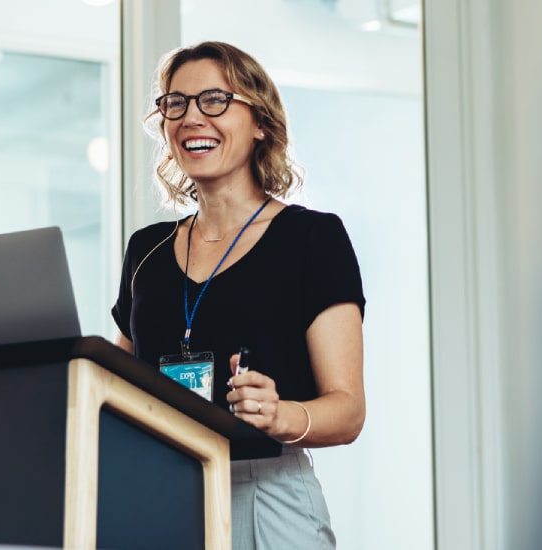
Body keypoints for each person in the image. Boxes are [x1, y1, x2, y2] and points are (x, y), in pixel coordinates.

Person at [112, 41, 365, 549]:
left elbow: (348, 410)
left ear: (260, 123)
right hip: (160, 492)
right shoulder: (146, 250)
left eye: (214, 100)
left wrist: (279, 415)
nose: (190, 118)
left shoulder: (312, 238)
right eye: (175, 104)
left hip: (264, 492)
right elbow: (115, 387)